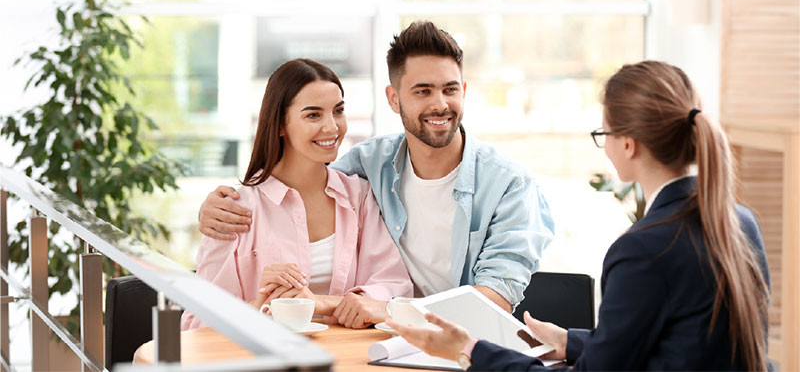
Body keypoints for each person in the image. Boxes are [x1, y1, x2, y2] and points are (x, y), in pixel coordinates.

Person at [387, 60, 771, 371]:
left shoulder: (644, 250)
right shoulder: (740, 221)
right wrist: (570, 342)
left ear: (628, 144)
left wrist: (470, 349)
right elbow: (678, 341)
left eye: (603, 134)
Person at [196, 20, 555, 317]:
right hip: (383, 341)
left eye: (449, 89)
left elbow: (491, 303)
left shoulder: (510, 185)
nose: (440, 104)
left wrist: (376, 309)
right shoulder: (370, 167)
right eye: (423, 91)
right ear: (393, 98)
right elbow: (302, 174)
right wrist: (214, 208)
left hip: (465, 346)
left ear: (464, 90)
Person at [181, 59, 412, 330]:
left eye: (338, 111)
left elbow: (395, 289)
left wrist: (325, 302)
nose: (332, 127)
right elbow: (194, 325)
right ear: (279, 125)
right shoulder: (233, 209)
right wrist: (261, 305)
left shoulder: (358, 196)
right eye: (313, 115)